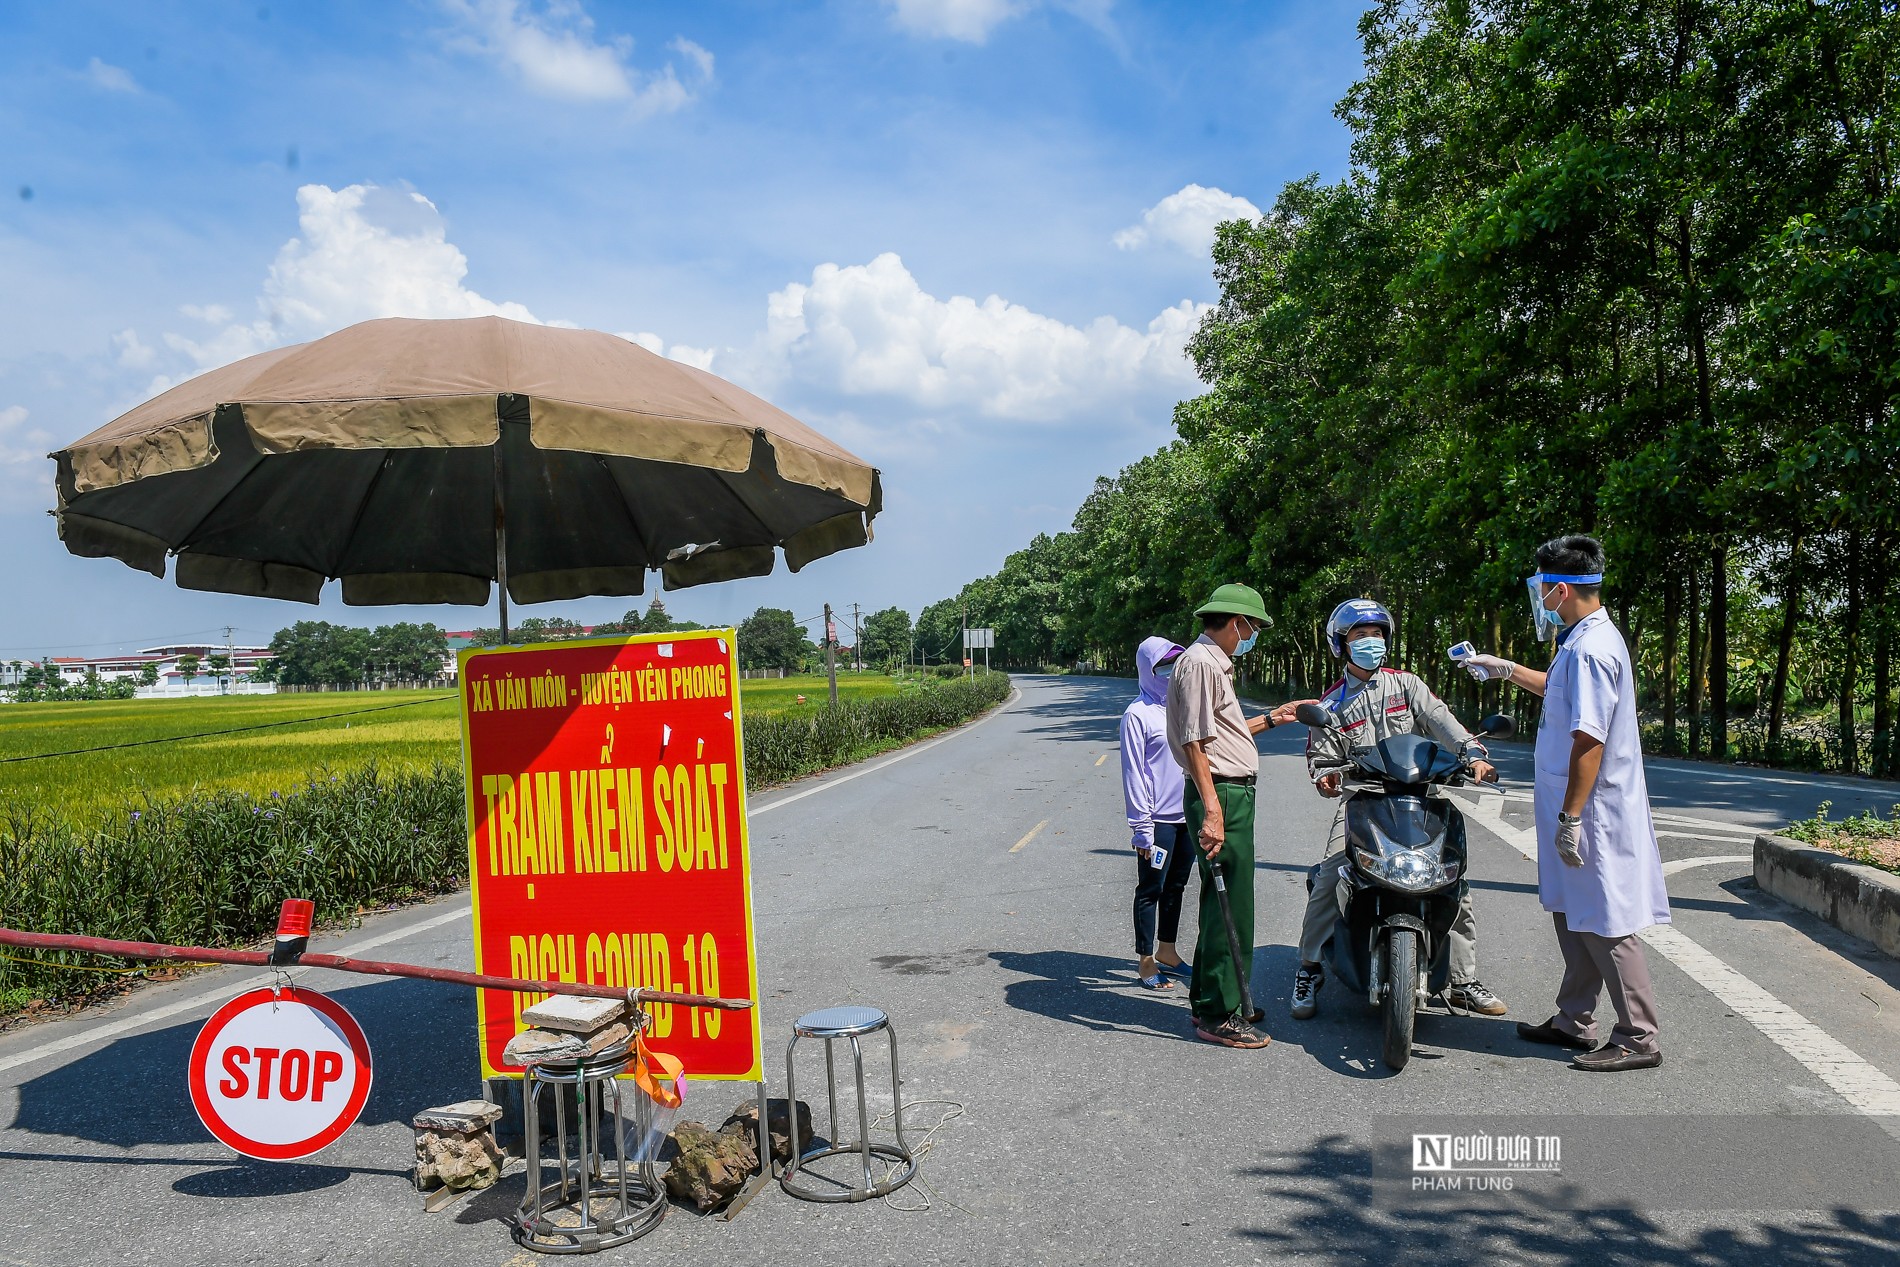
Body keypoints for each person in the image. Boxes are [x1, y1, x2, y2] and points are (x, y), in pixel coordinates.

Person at [1460, 535, 1668, 1071]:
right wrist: (1504, 669)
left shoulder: (1595, 650)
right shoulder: (1579, 641)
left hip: (1592, 810)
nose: (1541, 596)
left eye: (1543, 586)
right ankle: (1575, 1018)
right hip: (1572, 804)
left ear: (1560, 588)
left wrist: (1571, 817)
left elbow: (1589, 740)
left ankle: (1639, 1037)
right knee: (1571, 912)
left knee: (1603, 918)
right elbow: (1557, 687)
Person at [1294, 599, 1505, 1020]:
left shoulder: (1407, 685)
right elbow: (1320, 757)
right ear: (1342, 644)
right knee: (1332, 875)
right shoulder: (1331, 703)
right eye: (1360, 636)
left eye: (1376, 635)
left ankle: (1463, 980)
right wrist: (1325, 776)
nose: (1370, 642)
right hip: (1363, 798)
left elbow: (1442, 721)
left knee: (1452, 881)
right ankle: (1309, 967)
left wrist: (1473, 753)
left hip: (1418, 796)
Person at [1165, 583, 1312, 1049]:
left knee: (1222, 899)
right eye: (1251, 627)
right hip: (1222, 795)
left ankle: (1215, 998)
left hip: (1227, 792)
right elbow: (1194, 742)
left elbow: (1221, 732)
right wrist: (1212, 810)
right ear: (1235, 623)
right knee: (1231, 904)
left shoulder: (1210, 665)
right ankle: (1219, 1014)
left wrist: (1273, 718)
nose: (1251, 636)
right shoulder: (1201, 664)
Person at [1121, 637, 1194, 990]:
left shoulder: (1181, 707)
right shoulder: (1137, 715)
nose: (1169, 672)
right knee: (1151, 888)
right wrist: (1142, 828)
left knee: (1177, 886)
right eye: (1162, 666)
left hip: (1187, 817)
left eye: (1175, 665)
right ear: (1147, 669)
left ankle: (1168, 950)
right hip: (1158, 822)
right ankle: (1146, 961)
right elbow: (1134, 773)